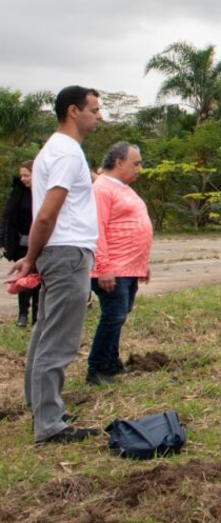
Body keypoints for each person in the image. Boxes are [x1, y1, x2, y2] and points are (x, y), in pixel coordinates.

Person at [10, 86, 102, 444]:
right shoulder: (66, 153)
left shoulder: (55, 149)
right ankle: (49, 424)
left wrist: (36, 256)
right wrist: (30, 258)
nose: (98, 115)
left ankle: (40, 405)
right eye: (93, 109)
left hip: (59, 251)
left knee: (46, 328)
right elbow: (47, 214)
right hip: (66, 252)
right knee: (59, 340)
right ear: (72, 111)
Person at [86, 142, 152, 386]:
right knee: (113, 316)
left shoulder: (122, 187)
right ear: (118, 162)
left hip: (128, 267)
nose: (140, 168)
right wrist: (103, 267)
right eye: (136, 163)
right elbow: (97, 229)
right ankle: (97, 368)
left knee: (119, 315)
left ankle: (112, 364)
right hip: (112, 268)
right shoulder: (102, 189)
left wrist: (141, 263)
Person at [1, 161, 38, 328]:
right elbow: (8, 218)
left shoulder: (45, 192)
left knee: (39, 279)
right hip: (23, 242)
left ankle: (38, 316)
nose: (23, 179)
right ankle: (23, 313)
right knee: (23, 279)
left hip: (42, 241)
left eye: (27, 175)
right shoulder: (18, 193)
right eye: (21, 175)